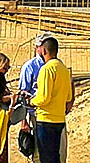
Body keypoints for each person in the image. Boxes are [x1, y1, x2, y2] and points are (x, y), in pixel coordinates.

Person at [26, 35, 74, 163]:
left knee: (46, 158)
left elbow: (44, 98)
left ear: (44, 51)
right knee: (55, 156)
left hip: (46, 120)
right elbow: (68, 96)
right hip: (59, 119)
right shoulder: (63, 69)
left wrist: (31, 101)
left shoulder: (47, 69)